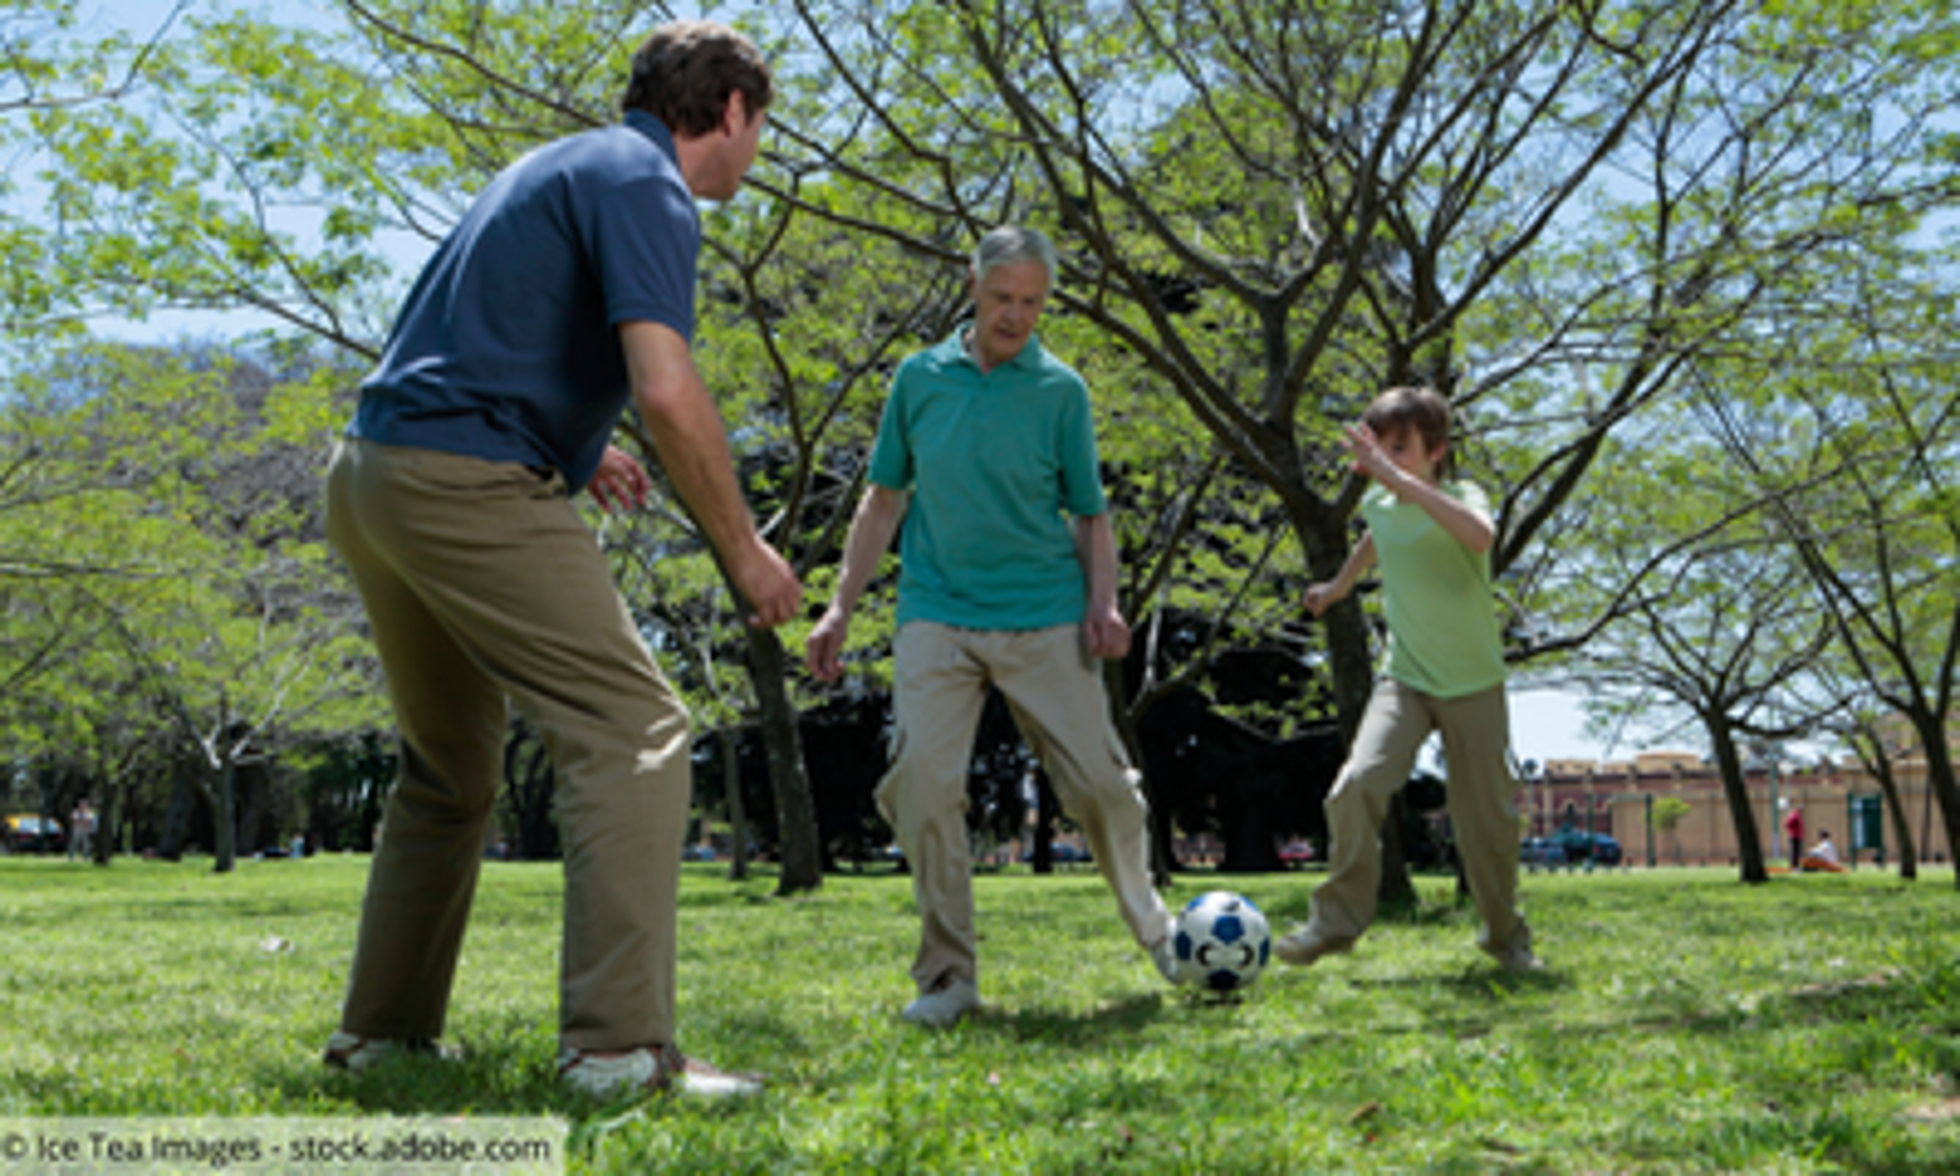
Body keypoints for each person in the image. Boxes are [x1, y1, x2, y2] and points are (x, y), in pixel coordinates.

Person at [321, 20, 800, 1098]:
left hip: (373, 476)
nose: (756, 152)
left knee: (450, 768)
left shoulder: (561, 161)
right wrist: (744, 550)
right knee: (634, 727)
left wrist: (577, 449)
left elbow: (486, 331)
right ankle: (617, 1050)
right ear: (729, 111)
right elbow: (668, 387)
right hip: (463, 483)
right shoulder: (649, 185)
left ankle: (380, 1035)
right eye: (760, 128)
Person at [805, 225, 1177, 1027]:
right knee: (925, 783)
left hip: (1043, 614)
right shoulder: (920, 378)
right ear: (970, 285)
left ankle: (1152, 922)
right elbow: (884, 500)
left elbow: (1090, 515)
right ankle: (948, 978)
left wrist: (1102, 602)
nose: (1017, 317)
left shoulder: (1060, 392)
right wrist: (841, 605)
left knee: (1103, 787)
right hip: (935, 610)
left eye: (1033, 304)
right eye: (1003, 298)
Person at [1275, 386, 1539, 974]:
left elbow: (1479, 537)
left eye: (1401, 448)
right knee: (1355, 785)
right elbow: (1378, 536)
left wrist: (1399, 482)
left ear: (1436, 450)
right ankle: (1333, 924)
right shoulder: (1382, 502)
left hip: (1473, 683)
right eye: (1379, 448)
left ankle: (1507, 940)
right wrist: (1338, 586)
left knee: (1486, 824)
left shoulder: (1462, 495)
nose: (1387, 461)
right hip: (1407, 678)